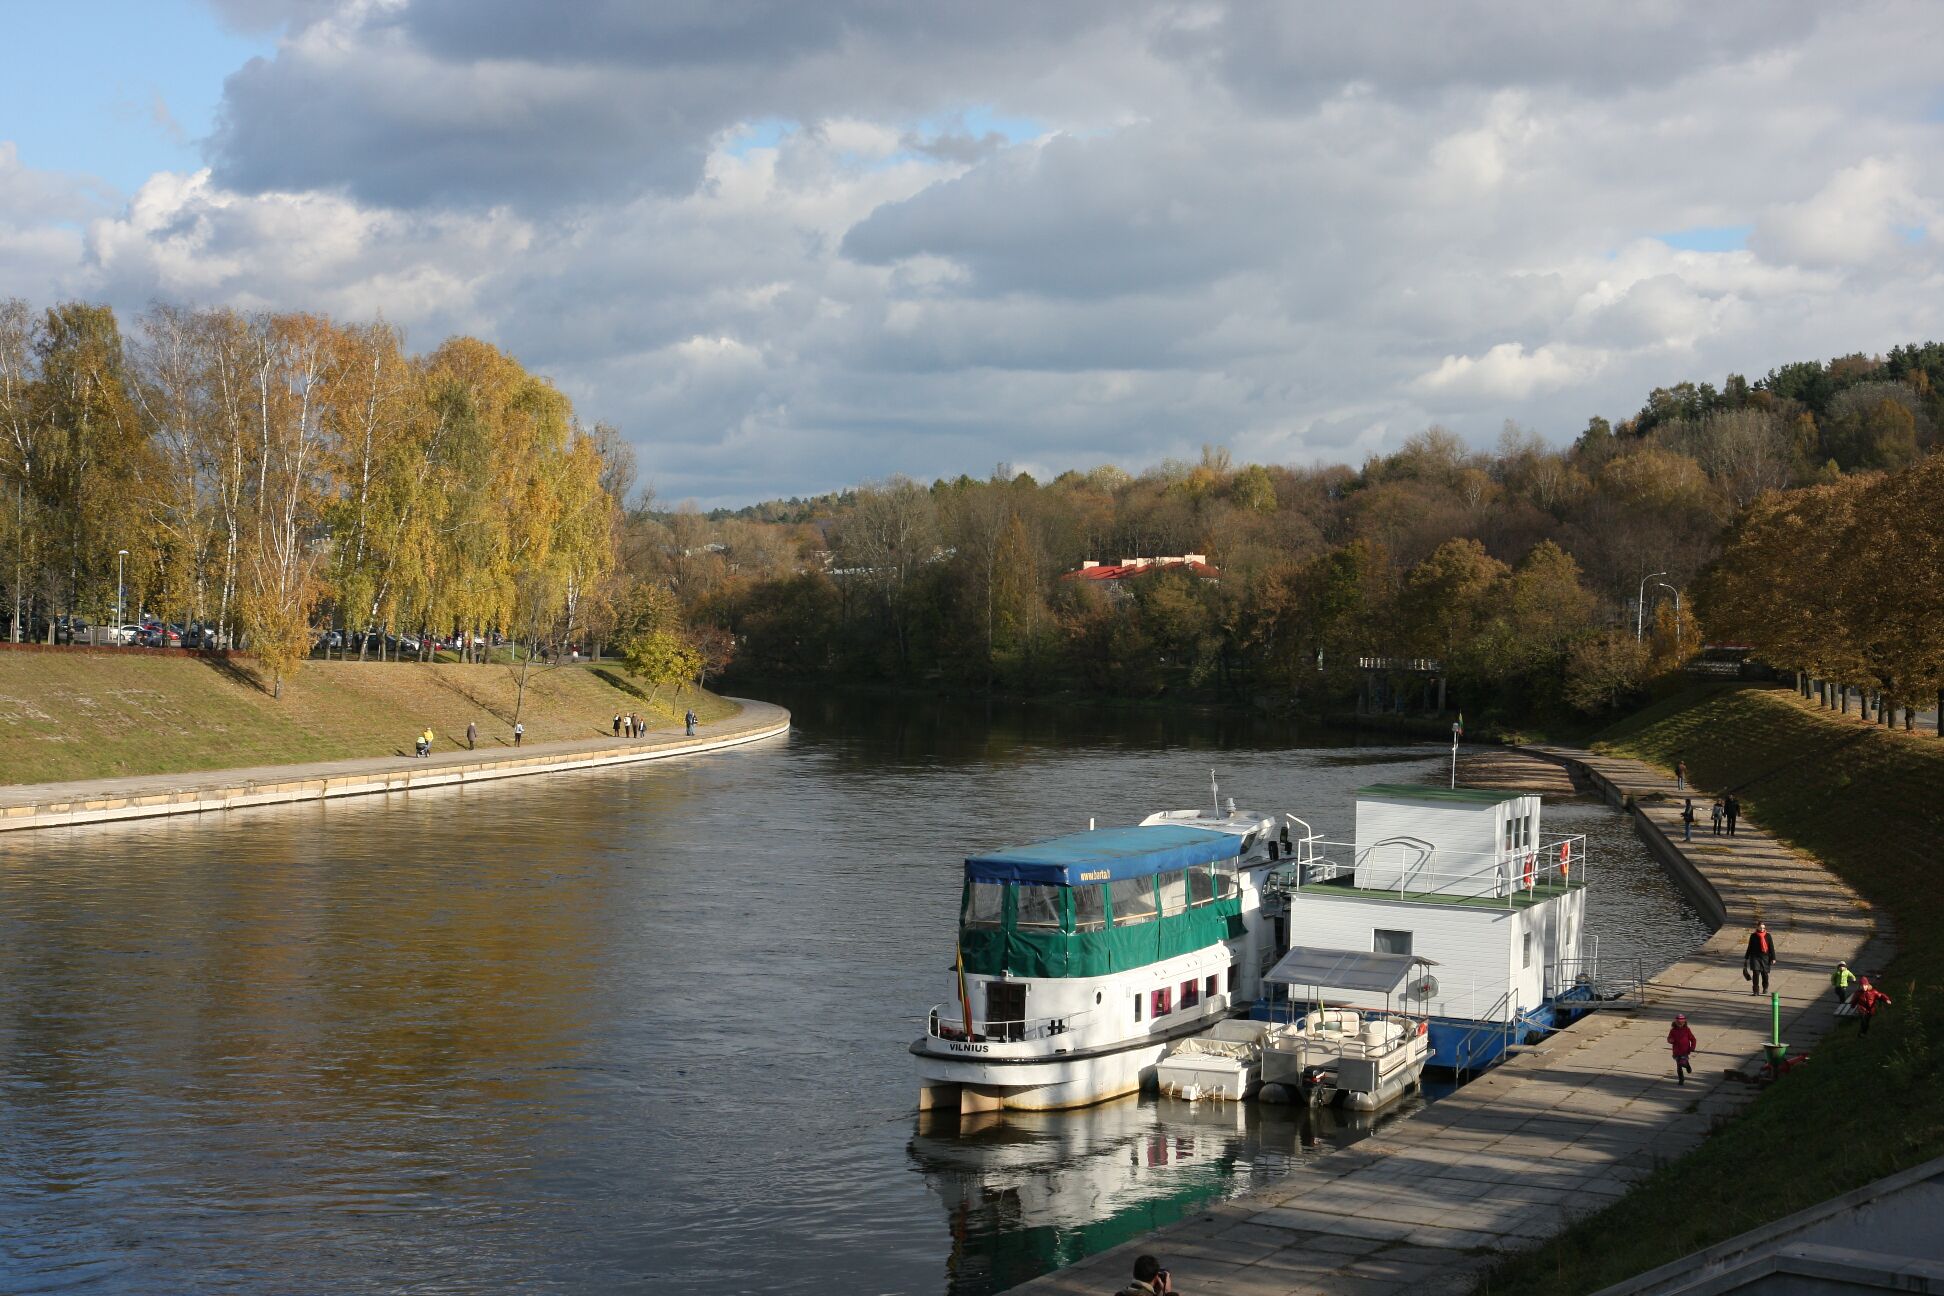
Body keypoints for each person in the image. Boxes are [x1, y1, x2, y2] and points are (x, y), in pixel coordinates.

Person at [1744, 922, 1777, 995]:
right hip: (1755, 957)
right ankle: (1756, 991)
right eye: (1760, 928)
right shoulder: (1753, 936)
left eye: (1763, 928)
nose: (1762, 929)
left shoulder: (1768, 936)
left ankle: (1765, 987)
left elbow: (1771, 948)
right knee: (1755, 973)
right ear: (1757, 927)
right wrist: (1746, 957)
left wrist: (1773, 958)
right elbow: (1749, 947)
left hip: (1765, 957)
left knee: (1764, 974)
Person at [1667, 1013, 1698, 1084]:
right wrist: (1670, 1040)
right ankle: (1681, 1079)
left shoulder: (1687, 1030)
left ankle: (1687, 1066)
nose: (1680, 1024)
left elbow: (1693, 1039)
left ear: (1685, 1022)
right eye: (1678, 1023)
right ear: (1675, 1023)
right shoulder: (1673, 1030)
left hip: (1685, 1051)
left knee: (1682, 1063)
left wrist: (1692, 1047)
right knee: (1679, 1066)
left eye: (1682, 1023)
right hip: (1676, 1051)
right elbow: (1669, 1038)